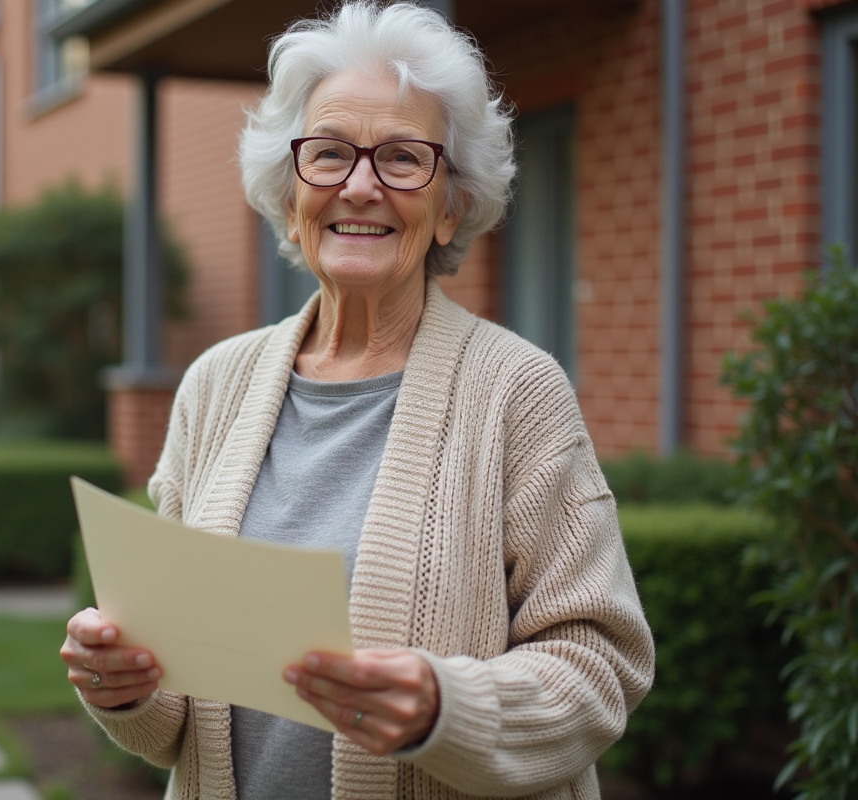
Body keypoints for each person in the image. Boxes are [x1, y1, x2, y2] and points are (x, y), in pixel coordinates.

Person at [61, 2, 655, 798]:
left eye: (404, 159)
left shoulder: (519, 392)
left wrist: (448, 707)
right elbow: (177, 719)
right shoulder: (214, 384)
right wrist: (125, 682)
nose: (361, 186)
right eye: (331, 154)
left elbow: (603, 664)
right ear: (291, 192)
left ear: (451, 205)